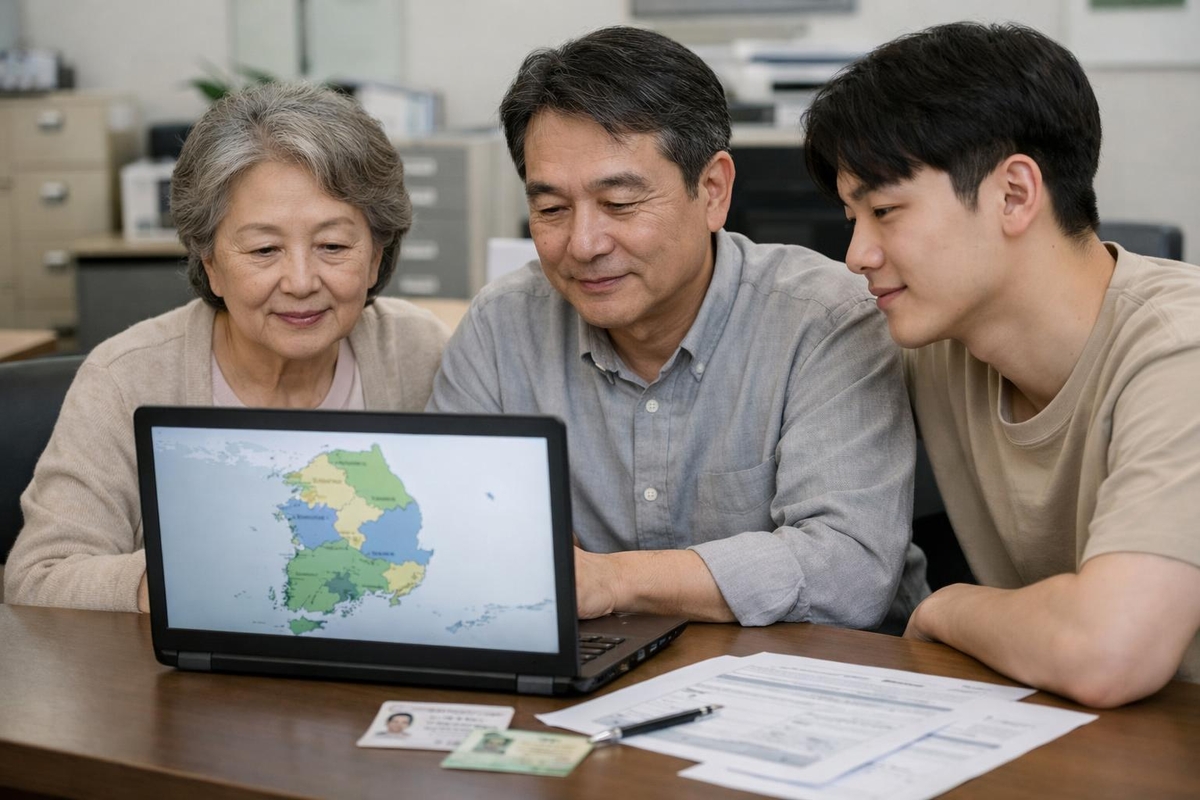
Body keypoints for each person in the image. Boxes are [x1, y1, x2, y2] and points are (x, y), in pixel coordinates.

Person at [428, 26, 927, 630]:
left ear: (712, 190)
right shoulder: (501, 326)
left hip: (820, 669)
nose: (583, 244)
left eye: (620, 204)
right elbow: (455, 538)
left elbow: (848, 571)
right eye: (551, 209)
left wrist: (611, 580)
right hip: (598, 663)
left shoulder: (824, 320)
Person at [802, 21, 1200, 707]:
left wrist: (945, 608)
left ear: (1014, 194)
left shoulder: (1180, 351)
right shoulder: (938, 339)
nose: (857, 254)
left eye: (885, 210)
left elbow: (1109, 652)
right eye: (851, 218)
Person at [5, 82, 449, 612]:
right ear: (210, 262)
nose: (301, 281)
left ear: (376, 256)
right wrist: (201, 576)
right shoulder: (125, 378)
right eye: (264, 249)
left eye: (333, 245)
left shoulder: (419, 352)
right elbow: (38, 579)